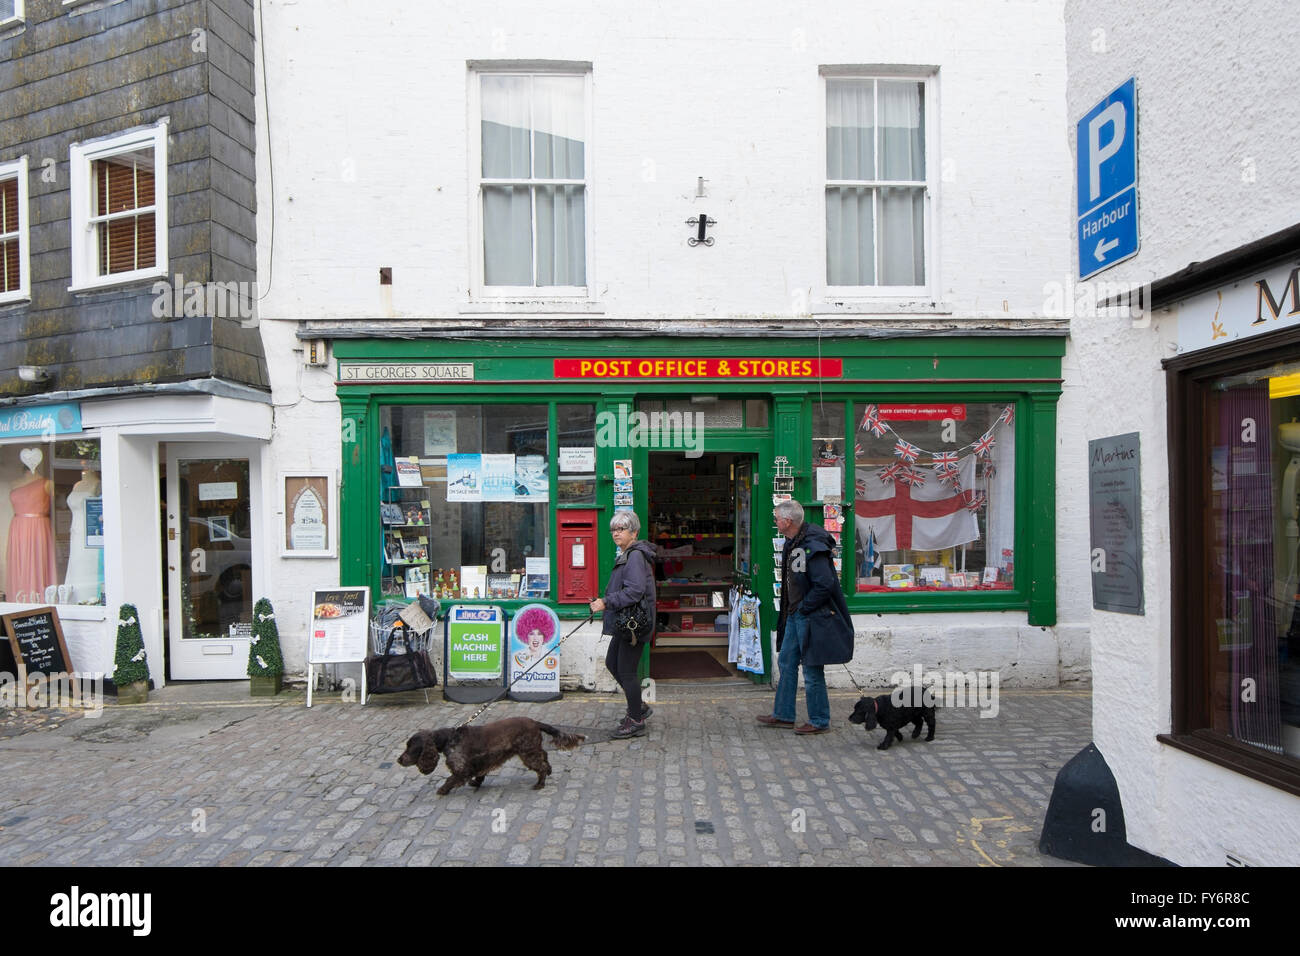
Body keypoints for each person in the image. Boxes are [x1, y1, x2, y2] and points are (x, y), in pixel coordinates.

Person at [758, 499, 853, 734]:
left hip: (809, 616)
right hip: (794, 614)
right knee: (787, 662)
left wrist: (805, 607)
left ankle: (820, 720)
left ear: (788, 521)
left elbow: (825, 584)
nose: (775, 522)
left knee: (811, 668)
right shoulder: (794, 542)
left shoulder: (812, 545)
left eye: (777, 519)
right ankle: (783, 715)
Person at [590, 511, 656, 739]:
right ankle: (639, 706)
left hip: (634, 624)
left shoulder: (635, 556)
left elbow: (635, 591)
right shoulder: (627, 554)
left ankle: (636, 720)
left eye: (621, 529)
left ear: (634, 532)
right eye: (614, 529)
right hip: (625, 623)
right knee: (612, 663)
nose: (616, 533)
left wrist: (606, 602)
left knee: (626, 671)